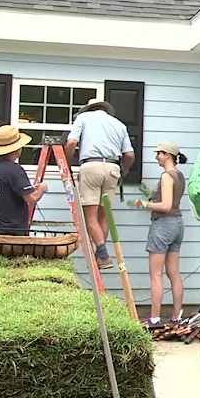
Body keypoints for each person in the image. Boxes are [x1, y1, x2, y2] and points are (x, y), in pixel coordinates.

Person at [64, 98, 135, 270]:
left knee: (90, 215)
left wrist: (66, 163)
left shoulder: (83, 118)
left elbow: (72, 142)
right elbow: (130, 155)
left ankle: (102, 252)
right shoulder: (119, 124)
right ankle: (101, 254)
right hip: (112, 168)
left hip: (91, 165)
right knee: (104, 215)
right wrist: (124, 170)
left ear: (89, 108)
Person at [136, 142, 188, 327]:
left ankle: (155, 319)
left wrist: (143, 204)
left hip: (163, 225)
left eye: (159, 153)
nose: (157, 156)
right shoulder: (179, 175)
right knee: (174, 273)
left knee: (156, 274)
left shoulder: (166, 176)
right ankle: (177, 317)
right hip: (177, 225)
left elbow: (165, 206)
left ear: (167, 155)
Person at [0, 125, 48, 235]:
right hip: (11, 230)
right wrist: (42, 188)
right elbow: (31, 198)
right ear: (17, 148)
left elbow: (5, 189)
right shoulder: (14, 169)